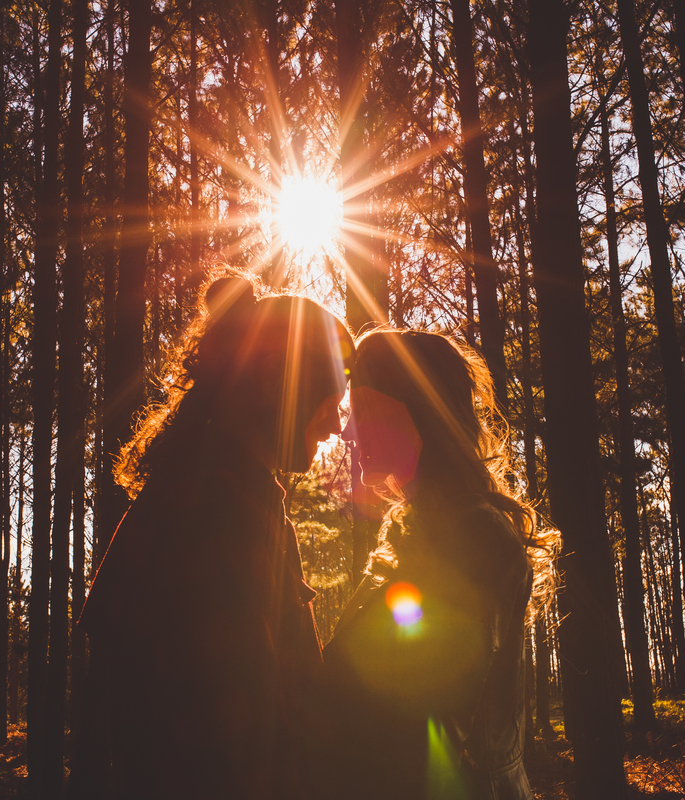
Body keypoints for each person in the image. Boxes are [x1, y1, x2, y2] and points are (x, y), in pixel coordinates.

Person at [69, 275, 354, 800]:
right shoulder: (215, 519)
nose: (338, 425)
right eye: (330, 399)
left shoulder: (218, 498)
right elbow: (244, 752)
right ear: (274, 377)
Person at [316, 329, 558, 800]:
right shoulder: (416, 529)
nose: (346, 431)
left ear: (417, 409)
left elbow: (427, 718)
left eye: (361, 411)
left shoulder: (473, 536)